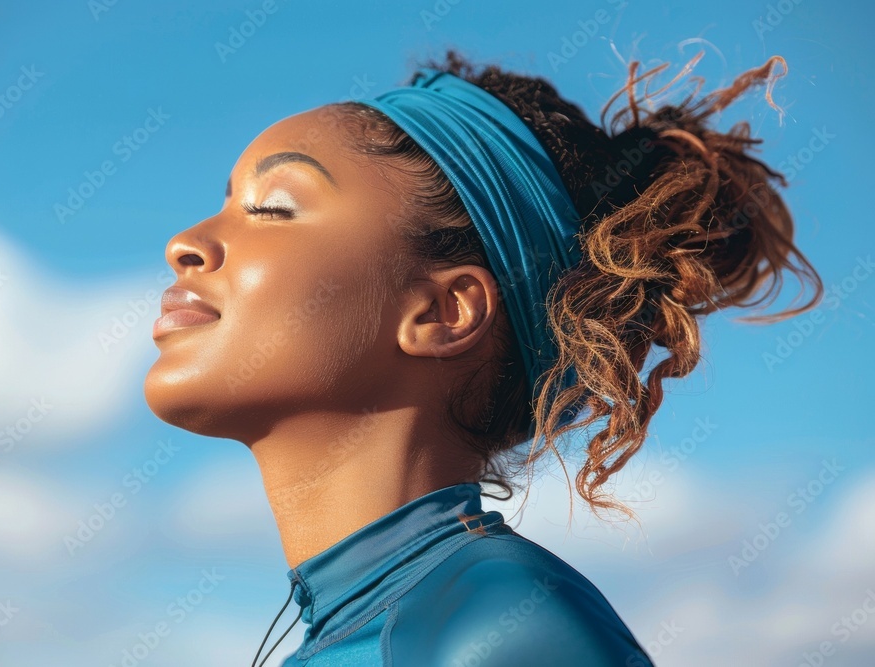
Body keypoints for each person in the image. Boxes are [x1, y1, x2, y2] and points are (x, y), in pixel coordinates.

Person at [143, 49, 822, 666]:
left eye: (273, 207)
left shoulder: (499, 629)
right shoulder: (403, 626)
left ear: (444, 311)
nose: (185, 242)